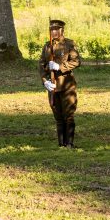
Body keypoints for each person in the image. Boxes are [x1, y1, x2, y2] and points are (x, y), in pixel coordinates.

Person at [39, 19, 81, 148]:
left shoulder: (69, 44)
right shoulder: (47, 46)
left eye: (56, 29)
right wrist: (45, 81)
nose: (54, 32)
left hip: (66, 85)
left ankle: (70, 143)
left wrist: (60, 66)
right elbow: (41, 65)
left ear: (62, 30)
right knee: (57, 115)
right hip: (53, 86)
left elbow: (77, 61)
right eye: (52, 29)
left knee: (68, 114)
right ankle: (61, 143)